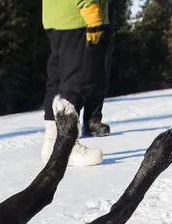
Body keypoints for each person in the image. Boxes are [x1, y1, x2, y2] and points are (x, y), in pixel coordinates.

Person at [42, 0, 107, 166]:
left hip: (58, 14)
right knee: (74, 80)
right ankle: (65, 146)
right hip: (76, 14)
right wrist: (88, 5)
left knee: (57, 80)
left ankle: (52, 143)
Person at [81, 0, 114, 137]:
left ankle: (92, 120)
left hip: (103, 14)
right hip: (76, 17)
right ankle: (61, 126)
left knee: (100, 69)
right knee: (72, 72)